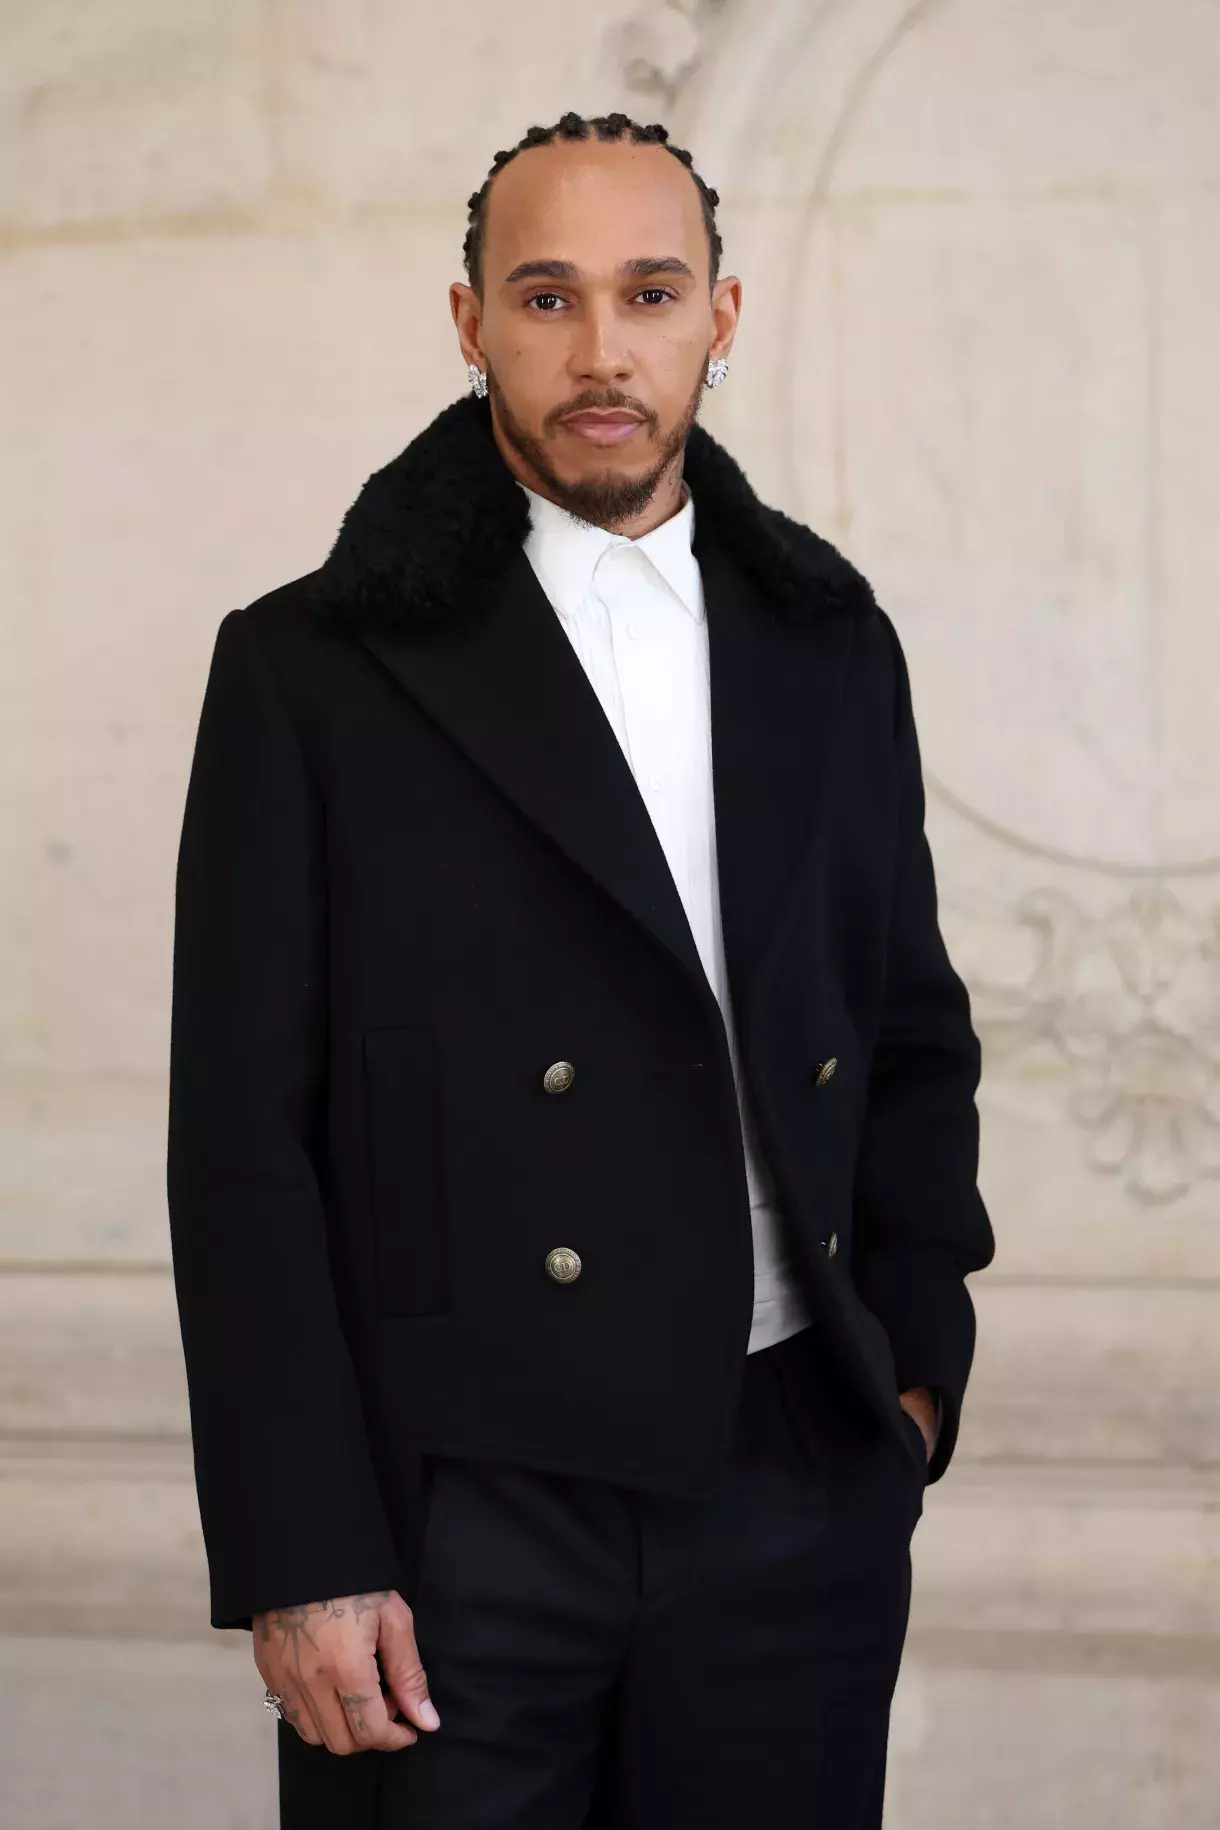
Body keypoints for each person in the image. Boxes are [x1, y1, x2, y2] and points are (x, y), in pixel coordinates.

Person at [167, 109, 994, 1830]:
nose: (602, 351)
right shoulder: (312, 669)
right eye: (547, 298)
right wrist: (304, 1546)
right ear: (470, 323)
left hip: (791, 1476)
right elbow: (244, 1146)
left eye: (650, 293)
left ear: (721, 316)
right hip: (457, 1511)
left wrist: (908, 1370)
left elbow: (908, 1031)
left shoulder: (831, 645)